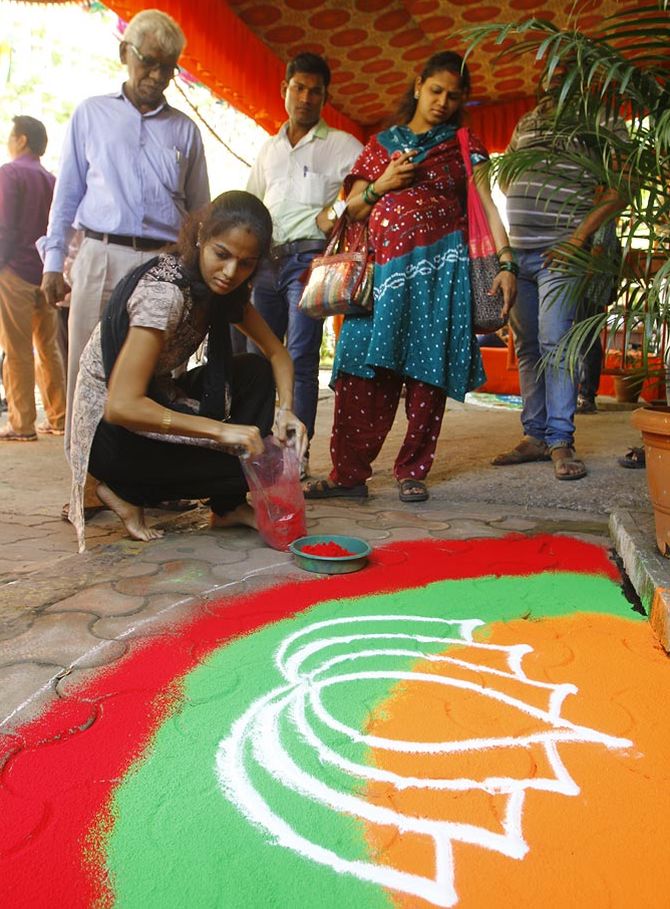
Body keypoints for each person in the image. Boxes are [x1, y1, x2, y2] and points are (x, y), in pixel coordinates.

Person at [303, 51, 516, 503]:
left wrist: (506, 262)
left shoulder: (462, 143)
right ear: (417, 85)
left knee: (427, 374)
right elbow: (351, 209)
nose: (441, 102)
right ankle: (348, 475)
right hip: (378, 277)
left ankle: (412, 470)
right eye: (435, 90)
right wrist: (384, 182)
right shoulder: (382, 145)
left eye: (452, 96)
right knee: (360, 368)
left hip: (441, 277)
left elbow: (487, 204)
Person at [67, 191, 307, 552]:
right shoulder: (164, 294)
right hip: (111, 432)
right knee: (242, 464)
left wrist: (286, 410)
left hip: (157, 397)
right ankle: (121, 489)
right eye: (222, 255)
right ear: (200, 239)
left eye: (245, 264)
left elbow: (277, 354)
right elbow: (122, 405)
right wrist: (220, 432)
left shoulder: (223, 292)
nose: (230, 273)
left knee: (255, 371)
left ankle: (226, 508)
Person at [40, 8, 210, 466]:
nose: (157, 76)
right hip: (98, 253)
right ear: (124, 54)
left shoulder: (186, 131)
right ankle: (84, 481)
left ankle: (149, 478)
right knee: (86, 369)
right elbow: (68, 193)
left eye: (169, 67)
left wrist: (196, 279)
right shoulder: (89, 115)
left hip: (161, 263)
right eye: (149, 61)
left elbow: (200, 213)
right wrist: (53, 262)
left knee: (157, 373)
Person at [492, 68, 624, 478]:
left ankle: (561, 441)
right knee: (528, 347)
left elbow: (621, 186)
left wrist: (578, 238)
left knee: (556, 343)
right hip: (520, 252)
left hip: (561, 252)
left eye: (563, 72)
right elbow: (509, 172)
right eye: (546, 72)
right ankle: (534, 436)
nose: (552, 82)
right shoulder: (528, 121)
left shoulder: (600, 118)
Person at [246, 52, 362, 478]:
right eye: (299, 88)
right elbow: (251, 205)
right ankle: (257, 449)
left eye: (316, 91)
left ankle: (296, 456)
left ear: (325, 97)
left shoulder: (342, 145)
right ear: (284, 90)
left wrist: (337, 211)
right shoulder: (269, 149)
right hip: (266, 263)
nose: (306, 97)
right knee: (260, 355)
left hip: (310, 260)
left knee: (299, 356)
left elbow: (372, 186)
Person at [0, 116, 65, 441]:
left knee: (17, 349)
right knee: (49, 348)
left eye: (11, 136)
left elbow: (6, 226)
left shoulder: (10, 173)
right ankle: (58, 417)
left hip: (14, 271)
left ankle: (21, 424)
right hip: (45, 272)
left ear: (22, 139)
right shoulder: (51, 179)